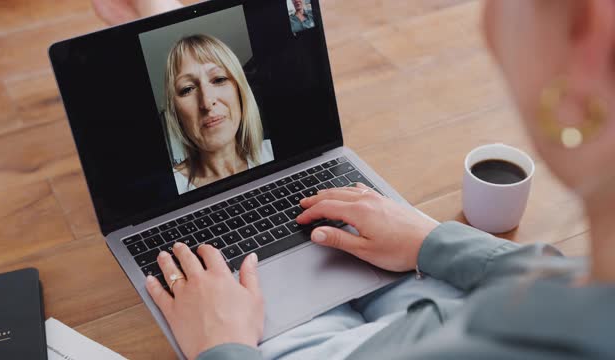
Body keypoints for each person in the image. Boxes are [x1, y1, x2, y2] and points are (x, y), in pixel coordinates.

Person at [93, 1, 615, 359]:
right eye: (186, 88)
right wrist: (434, 240)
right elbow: (582, 287)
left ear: (591, 35)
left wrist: (222, 346)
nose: (207, 102)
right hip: (449, 293)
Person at [164, 34, 273, 193]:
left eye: (219, 79)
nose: (207, 103)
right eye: (187, 89)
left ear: (240, 92)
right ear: (176, 113)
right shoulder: (170, 188)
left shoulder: (272, 153)